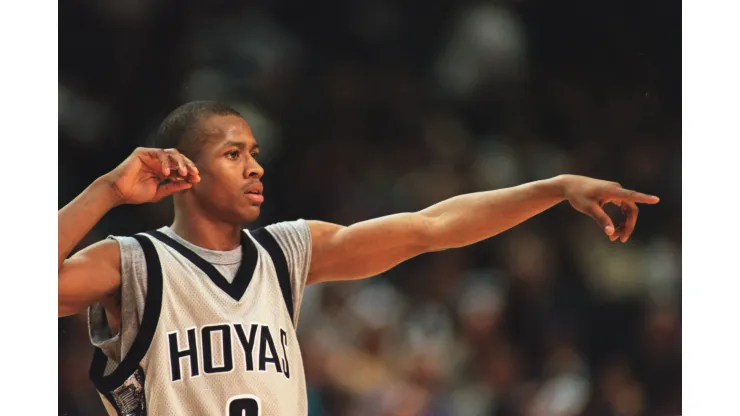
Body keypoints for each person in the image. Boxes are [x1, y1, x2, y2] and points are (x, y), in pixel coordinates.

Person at [57, 101, 659, 416]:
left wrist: (552, 188)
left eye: (256, 152)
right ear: (185, 171)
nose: (257, 166)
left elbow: (432, 227)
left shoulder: (286, 250)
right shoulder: (132, 262)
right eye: (234, 154)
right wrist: (108, 190)